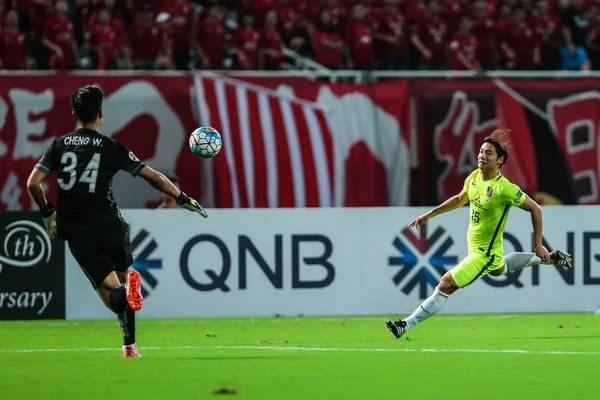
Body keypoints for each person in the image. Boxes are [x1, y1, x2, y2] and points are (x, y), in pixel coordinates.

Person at [26, 85, 208, 357]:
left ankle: (129, 340)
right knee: (124, 285)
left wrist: (47, 212)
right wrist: (181, 197)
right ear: (100, 113)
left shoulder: (58, 145)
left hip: (77, 229)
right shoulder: (111, 147)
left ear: (74, 114)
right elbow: (153, 176)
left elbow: (33, 184)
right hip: (110, 223)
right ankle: (129, 346)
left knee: (113, 298)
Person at [386, 130, 573, 339]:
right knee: (500, 269)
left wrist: (538, 243)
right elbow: (459, 199)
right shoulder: (474, 177)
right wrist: (430, 214)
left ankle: (405, 325)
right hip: (479, 249)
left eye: (489, 153)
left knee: (446, 284)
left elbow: (536, 209)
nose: (482, 156)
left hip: (484, 254)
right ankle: (547, 260)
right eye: (481, 151)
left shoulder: (505, 189)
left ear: (500, 160)